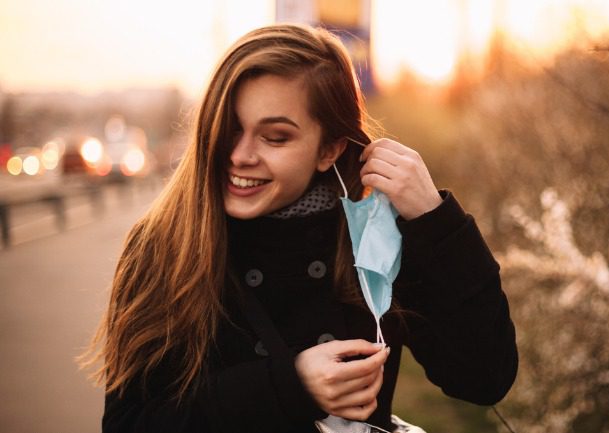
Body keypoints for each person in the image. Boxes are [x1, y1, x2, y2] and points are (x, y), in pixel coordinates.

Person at [82, 24, 517, 433]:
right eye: (228, 130)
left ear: (328, 148)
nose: (239, 155)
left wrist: (435, 218)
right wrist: (291, 386)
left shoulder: (370, 240)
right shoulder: (163, 244)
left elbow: (482, 378)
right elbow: (128, 423)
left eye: (275, 137)